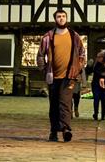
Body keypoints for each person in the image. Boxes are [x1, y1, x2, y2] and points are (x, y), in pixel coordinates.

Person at [37, 9, 86, 142]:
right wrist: (44, 70)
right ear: (55, 19)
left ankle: (66, 129)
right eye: (59, 16)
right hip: (53, 76)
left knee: (65, 103)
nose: (61, 18)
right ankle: (54, 131)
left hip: (69, 76)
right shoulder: (48, 37)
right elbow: (40, 55)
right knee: (54, 105)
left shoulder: (74, 36)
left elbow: (82, 53)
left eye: (64, 16)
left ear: (67, 18)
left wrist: (78, 67)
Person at [91, 49, 105, 121]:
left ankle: (103, 115)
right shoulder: (96, 65)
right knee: (96, 99)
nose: (99, 58)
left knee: (103, 100)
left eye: (100, 57)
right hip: (96, 85)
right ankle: (96, 113)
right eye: (98, 57)